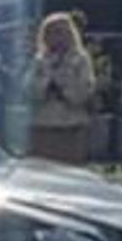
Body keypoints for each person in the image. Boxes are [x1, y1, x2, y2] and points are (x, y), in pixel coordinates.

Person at [25, 13, 96, 163]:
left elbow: (86, 88)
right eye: (52, 32)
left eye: (62, 31)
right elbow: (28, 88)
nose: (58, 36)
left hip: (71, 126)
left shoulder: (80, 59)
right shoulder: (39, 60)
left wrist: (63, 87)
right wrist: (45, 84)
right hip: (43, 125)